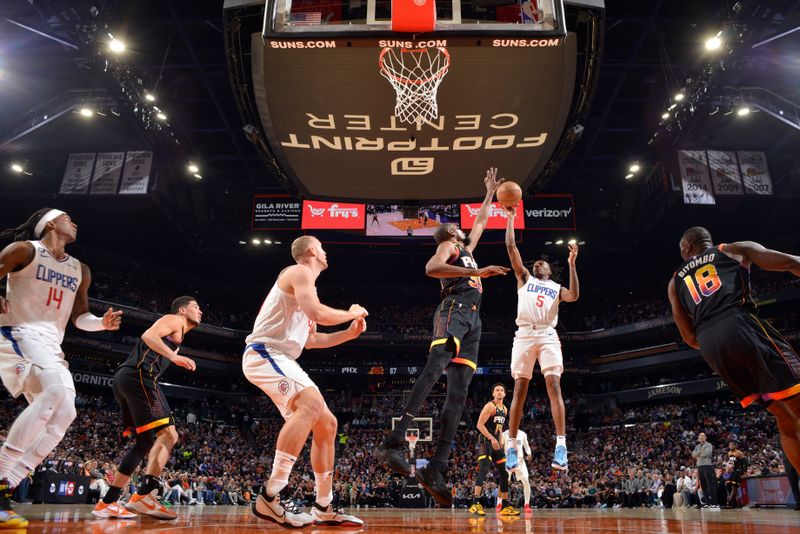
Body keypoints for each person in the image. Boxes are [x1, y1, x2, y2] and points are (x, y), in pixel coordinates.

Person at [375, 168, 510, 506]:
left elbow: (480, 222)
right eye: (457, 228)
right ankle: (392, 442)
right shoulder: (449, 245)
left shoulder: (467, 247)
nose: (463, 228)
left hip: (474, 320)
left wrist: (489, 194)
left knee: (460, 391)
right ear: (449, 233)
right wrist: (475, 272)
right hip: (454, 308)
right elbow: (431, 269)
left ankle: (436, 468)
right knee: (436, 367)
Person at [0, 208, 122, 528]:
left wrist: (101, 323)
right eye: (68, 217)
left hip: (51, 346)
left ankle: (7, 485)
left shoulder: (80, 269)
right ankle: (0, 475)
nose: (75, 222)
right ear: (51, 224)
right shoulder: (24, 250)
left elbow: (80, 317)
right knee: (54, 391)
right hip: (16, 332)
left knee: (66, 412)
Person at [243, 235, 367, 528]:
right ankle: (270, 496)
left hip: (283, 358)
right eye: (323, 247)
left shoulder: (307, 285)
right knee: (310, 403)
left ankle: (323, 506)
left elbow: (311, 340)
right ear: (312, 251)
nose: (326, 252)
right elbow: (317, 313)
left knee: (328, 423)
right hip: (265, 352)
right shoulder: (299, 272)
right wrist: (351, 312)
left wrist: (349, 333)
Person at [667, 227, 800, 471]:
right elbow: (789, 263)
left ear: (686, 248)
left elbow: (687, 336)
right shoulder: (733, 250)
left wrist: (716, 340)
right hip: (738, 322)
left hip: (710, 344)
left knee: (785, 418)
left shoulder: (674, 282)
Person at [92, 296, 203, 520]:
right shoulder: (174, 320)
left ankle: (110, 502)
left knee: (145, 442)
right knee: (169, 434)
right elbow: (148, 335)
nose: (200, 311)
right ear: (182, 310)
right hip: (139, 377)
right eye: (196, 307)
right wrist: (174, 356)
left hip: (128, 379)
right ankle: (144, 496)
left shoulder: (179, 330)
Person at [503, 205, 579, 472]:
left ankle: (561, 444)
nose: (537, 263)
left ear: (548, 271)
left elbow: (574, 296)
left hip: (547, 334)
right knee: (520, 390)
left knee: (554, 386)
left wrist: (571, 265)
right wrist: (511, 218)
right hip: (524, 334)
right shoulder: (524, 277)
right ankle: (511, 444)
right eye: (535, 262)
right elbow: (512, 249)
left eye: (542, 263)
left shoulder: (556, 288)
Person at [470, 384, 517, 516]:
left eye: (502, 390)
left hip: (496, 443)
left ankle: (505, 506)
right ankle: (475, 503)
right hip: (485, 441)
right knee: (484, 470)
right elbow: (479, 425)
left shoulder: (505, 409)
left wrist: (501, 441)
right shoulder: (490, 406)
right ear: (493, 394)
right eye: (497, 390)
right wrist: (492, 439)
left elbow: (500, 427)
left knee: (504, 473)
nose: (500, 392)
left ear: (505, 394)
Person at [501, 427, 532, 513]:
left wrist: (529, 454)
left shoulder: (522, 434)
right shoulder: (505, 434)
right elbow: (501, 445)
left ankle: (526, 504)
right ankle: (499, 503)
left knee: (525, 480)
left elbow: (526, 446)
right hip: (508, 460)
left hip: (520, 460)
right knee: (504, 482)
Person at [692, 432, 719, 510]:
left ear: (706, 437)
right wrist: (700, 453)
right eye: (700, 436)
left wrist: (698, 454)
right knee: (704, 486)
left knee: (711, 485)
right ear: (698, 438)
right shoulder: (697, 446)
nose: (701, 437)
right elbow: (693, 455)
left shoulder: (708, 445)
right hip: (700, 467)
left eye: (703, 436)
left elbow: (706, 454)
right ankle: (707, 503)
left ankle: (714, 503)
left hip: (707, 466)